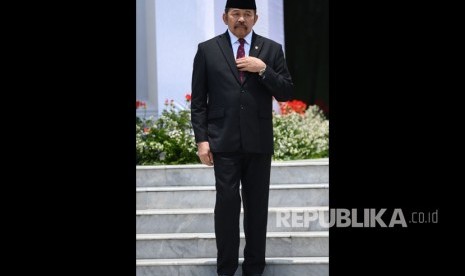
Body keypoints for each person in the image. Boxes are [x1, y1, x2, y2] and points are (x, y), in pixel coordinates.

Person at [191, 0, 293, 275]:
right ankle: (225, 268)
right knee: (226, 204)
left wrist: (262, 69)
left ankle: (254, 269)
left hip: (258, 141)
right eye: (236, 14)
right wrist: (202, 140)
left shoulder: (271, 50)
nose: (241, 19)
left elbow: (285, 92)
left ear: (255, 19)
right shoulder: (208, 50)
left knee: (257, 207)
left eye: (247, 14)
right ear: (225, 17)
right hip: (223, 141)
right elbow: (199, 101)